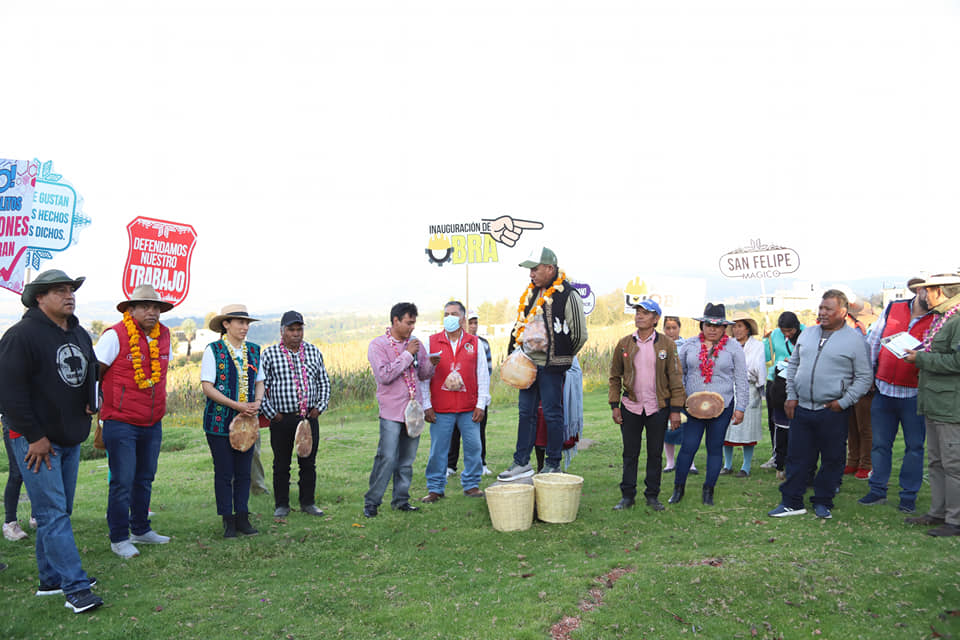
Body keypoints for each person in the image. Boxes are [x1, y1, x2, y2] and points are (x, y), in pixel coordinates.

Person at [0, 269, 102, 613]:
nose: (69, 295)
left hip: (70, 436)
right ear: (39, 298)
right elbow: (9, 394)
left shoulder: (79, 333)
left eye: (71, 290)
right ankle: (75, 587)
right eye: (60, 291)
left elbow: (91, 369)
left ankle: (50, 580)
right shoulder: (21, 336)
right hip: (35, 442)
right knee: (54, 513)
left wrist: (92, 399)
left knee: (57, 512)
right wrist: (34, 436)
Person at [768, 289, 873, 520]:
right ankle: (792, 502)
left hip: (832, 410)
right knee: (797, 457)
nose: (822, 313)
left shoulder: (855, 340)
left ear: (843, 312)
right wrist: (791, 395)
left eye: (828, 309)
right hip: (802, 407)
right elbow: (793, 366)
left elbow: (865, 377)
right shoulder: (807, 334)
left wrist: (844, 401)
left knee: (832, 458)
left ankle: (823, 501)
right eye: (821, 308)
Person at [94, 284, 173, 559]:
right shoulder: (114, 336)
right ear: (131, 310)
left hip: (152, 420)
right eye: (145, 307)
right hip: (120, 420)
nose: (152, 312)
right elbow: (96, 373)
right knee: (122, 480)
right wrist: (97, 411)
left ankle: (140, 528)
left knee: (145, 477)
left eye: (156, 308)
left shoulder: (165, 335)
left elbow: (161, 374)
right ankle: (118, 537)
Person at [499, 247, 588, 480]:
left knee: (552, 414)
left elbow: (579, 335)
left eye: (535, 269)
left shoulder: (568, 294)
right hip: (526, 365)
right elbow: (520, 324)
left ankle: (553, 463)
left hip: (551, 366)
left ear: (550, 268)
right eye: (530, 270)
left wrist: (562, 357)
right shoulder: (530, 294)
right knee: (525, 413)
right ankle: (521, 462)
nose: (531, 274)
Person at [858, 278, 932, 513]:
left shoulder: (940, 318)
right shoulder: (893, 307)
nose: (932, 295)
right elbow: (872, 342)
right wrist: (869, 377)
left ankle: (908, 495)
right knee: (880, 444)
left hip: (915, 393)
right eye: (929, 289)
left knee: (914, 447)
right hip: (884, 389)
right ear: (919, 290)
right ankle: (877, 490)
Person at [608, 300, 686, 511]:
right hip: (631, 406)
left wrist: (676, 410)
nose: (639, 316)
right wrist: (615, 405)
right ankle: (627, 496)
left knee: (654, 453)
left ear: (655, 319)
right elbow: (614, 376)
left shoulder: (667, 345)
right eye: (638, 313)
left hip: (657, 407)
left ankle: (652, 495)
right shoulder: (625, 343)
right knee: (630, 453)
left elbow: (675, 378)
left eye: (645, 313)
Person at [670, 303, 748, 506]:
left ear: (724, 328)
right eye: (708, 324)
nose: (712, 329)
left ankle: (708, 490)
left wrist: (740, 408)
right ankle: (678, 489)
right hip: (693, 406)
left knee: (715, 448)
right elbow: (679, 375)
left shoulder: (734, 347)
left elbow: (741, 379)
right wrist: (676, 404)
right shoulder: (689, 345)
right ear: (702, 325)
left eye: (717, 325)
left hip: (722, 406)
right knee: (688, 446)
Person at [363, 302, 436, 517]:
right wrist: (407, 355)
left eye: (414, 323)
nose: (412, 327)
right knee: (386, 457)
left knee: (406, 460)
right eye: (408, 323)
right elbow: (384, 375)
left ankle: (401, 500)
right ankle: (372, 502)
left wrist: (431, 363)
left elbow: (422, 374)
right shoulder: (378, 345)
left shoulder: (416, 344)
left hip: (413, 410)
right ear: (395, 321)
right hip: (392, 412)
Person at [200, 304, 265, 538]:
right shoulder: (213, 350)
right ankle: (228, 520)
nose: (245, 327)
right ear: (226, 324)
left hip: (247, 423)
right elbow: (207, 386)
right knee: (225, 472)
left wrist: (257, 402)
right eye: (239, 322)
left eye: (247, 323)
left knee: (244, 472)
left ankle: (243, 517)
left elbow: (259, 381)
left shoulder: (255, 351)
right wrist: (237, 406)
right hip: (219, 422)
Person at [260, 310, 331, 518]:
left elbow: (323, 381)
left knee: (308, 461)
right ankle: (281, 504)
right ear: (282, 331)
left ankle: (308, 502)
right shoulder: (270, 354)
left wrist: (320, 406)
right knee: (281, 463)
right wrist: (272, 414)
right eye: (291, 330)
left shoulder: (313, 352)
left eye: (299, 329)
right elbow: (262, 387)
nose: (296, 334)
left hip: (309, 418)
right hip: (281, 418)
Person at [904, 273, 960, 536]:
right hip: (935, 402)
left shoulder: (957, 320)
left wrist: (922, 360)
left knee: (953, 465)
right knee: (936, 462)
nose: (921, 296)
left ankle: (955, 520)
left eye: (924, 291)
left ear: (938, 291)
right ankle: (938, 512)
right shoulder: (942, 318)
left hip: (951, 406)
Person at [421, 301, 490, 502]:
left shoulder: (474, 342)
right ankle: (435, 488)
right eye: (446, 313)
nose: (449, 317)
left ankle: (471, 484)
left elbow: (483, 375)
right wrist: (427, 405)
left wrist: (481, 404)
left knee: (474, 446)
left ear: (462, 318)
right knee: (438, 449)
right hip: (441, 408)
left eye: (454, 313)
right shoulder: (431, 342)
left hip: (469, 407)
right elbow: (424, 376)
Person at [447, 310, 493, 477]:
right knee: (453, 431)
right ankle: (450, 465)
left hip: (476, 395)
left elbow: (487, 371)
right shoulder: (453, 343)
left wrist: (482, 395)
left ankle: (480, 463)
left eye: (476, 323)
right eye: (470, 323)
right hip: (456, 394)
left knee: (478, 431)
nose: (473, 327)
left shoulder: (483, 344)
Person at [720, 313, 766, 478]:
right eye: (734, 326)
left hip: (749, 387)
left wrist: (760, 388)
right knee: (726, 427)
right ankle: (727, 464)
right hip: (727, 388)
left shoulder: (758, 346)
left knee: (748, 427)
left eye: (740, 326)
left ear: (747, 328)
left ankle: (746, 466)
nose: (737, 329)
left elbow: (759, 366)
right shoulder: (727, 344)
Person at [764, 312, 804, 480]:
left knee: (797, 425)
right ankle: (778, 460)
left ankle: (797, 461)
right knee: (777, 423)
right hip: (777, 382)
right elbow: (767, 357)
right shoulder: (774, 335)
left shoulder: (807, 334)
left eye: (790, 331)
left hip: (798, 382)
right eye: (783, 331)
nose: (786, 334)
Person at [661, 316, 696, 475]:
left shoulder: (687, 345)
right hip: (666, 392)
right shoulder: (659, 345)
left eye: (674, 328)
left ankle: (690, 462)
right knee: (668, 428)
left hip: (685, 391)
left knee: (688, 427)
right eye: (668, 328)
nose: (671, 331)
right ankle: (670, 462)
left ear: (679, 328)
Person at [844, 298, 874, 479]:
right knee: (851, 427)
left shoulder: (859, 336)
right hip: (847, 387)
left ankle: (866, 463)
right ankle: (853, 460)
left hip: (861, 386)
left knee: (864, 427)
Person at [3, 415, 34, 541]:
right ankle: (10, 523)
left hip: (36, 420)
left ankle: (37, 515)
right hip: (13, 421)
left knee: (37, 469)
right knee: (17, 472)